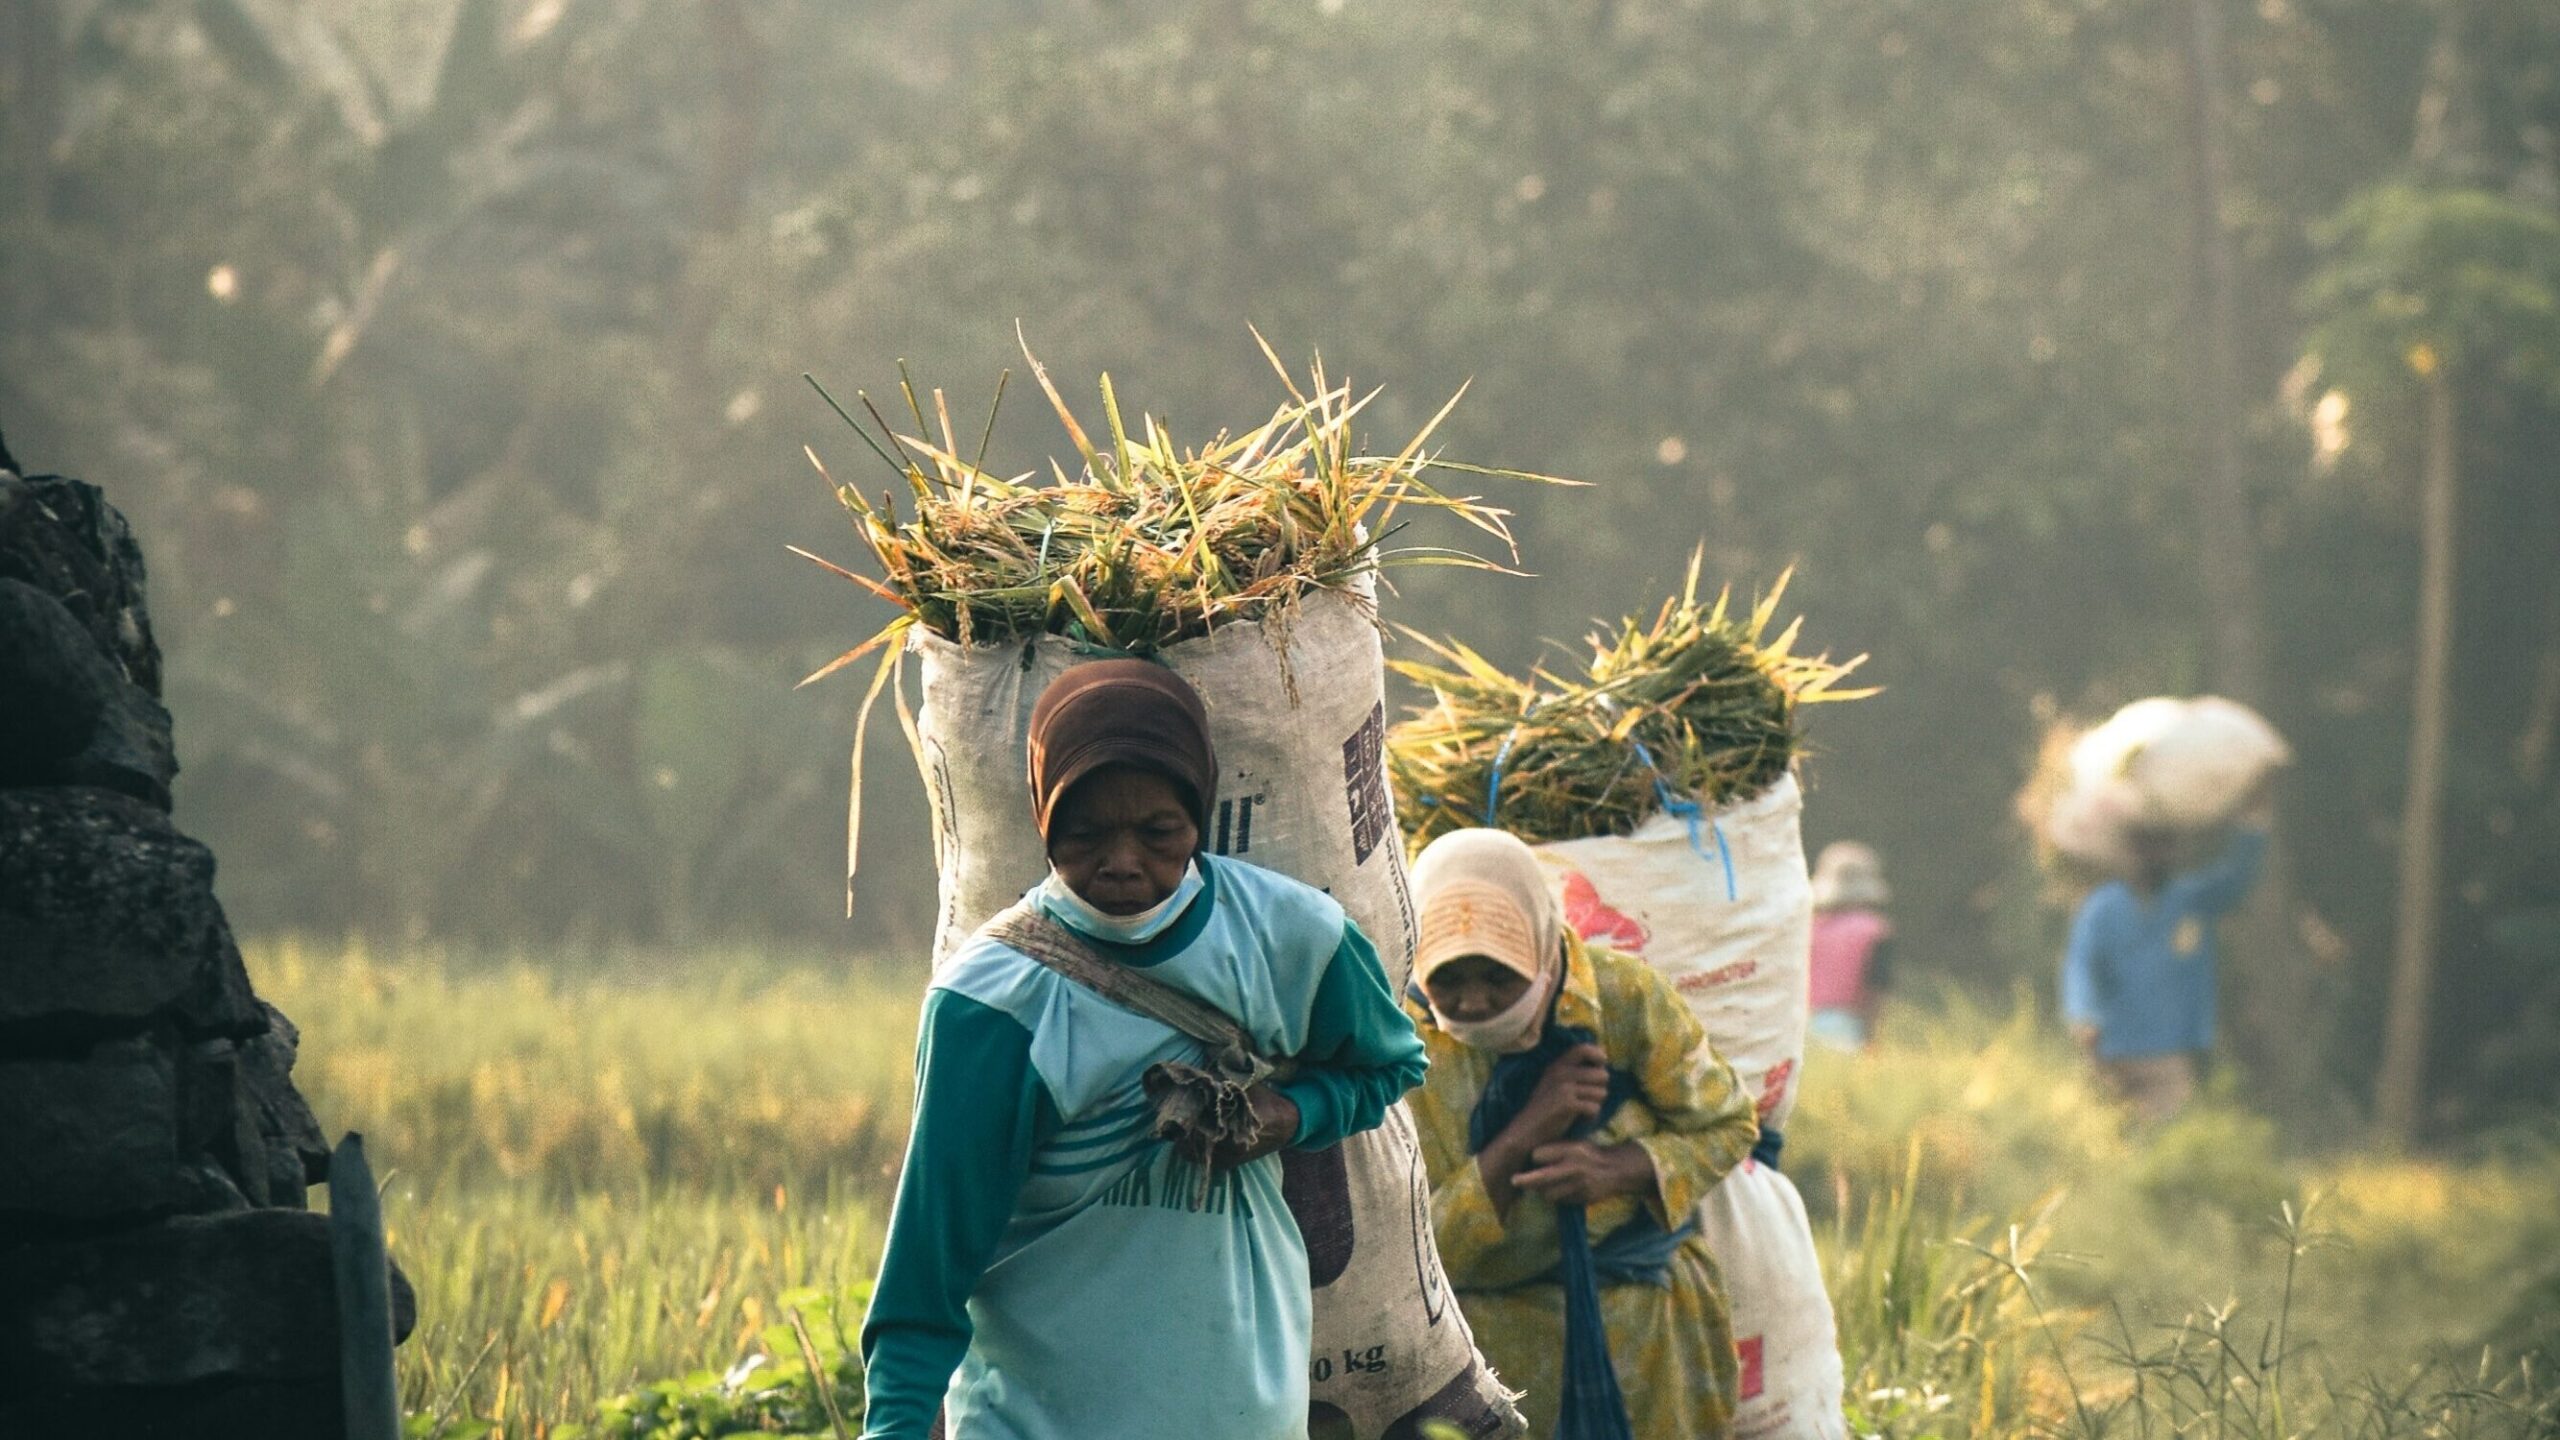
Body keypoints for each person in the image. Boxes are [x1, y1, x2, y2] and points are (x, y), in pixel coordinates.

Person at [858, 660, 1428, 1440]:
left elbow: (1391, 1065)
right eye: (1084, 833)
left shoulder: (1293, 940)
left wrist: (1291, 1114)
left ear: (1199, 813)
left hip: (1239, 1416)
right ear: (1040, 816)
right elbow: (925, 1276)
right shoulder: (994, 1002)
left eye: (1158, 833)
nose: (1122, 862)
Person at [1401, 828, 1758, 1440]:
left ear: (1541, 947)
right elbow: (1422, 1252)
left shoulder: (1623, 1000)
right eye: (1449, 980)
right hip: (1487, 1349)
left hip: (1640, 1333)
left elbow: (1727, 1123)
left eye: (1498, 975)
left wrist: (1617, 1168)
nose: (1474, 1002)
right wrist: (1524, 1133)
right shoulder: (1405, 1047)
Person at [2058, 817, 2270, 1123]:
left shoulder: (2190, 901)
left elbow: (2236, 880)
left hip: (2169, 1054)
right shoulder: (2102, 909)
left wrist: (2254, 823)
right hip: (2112, 1054)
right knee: (2112, 1138)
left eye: (2164, 846)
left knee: (2166, 1136)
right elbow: (2080, 968)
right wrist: (2084, 1016)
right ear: (2129, 852)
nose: (2155, 856)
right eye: (2147, 847)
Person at [1808, 841, 1894, 1052]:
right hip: (1848, 1025)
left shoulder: (1809, 927)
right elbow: (1877, 988)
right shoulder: (1875, 930)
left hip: (1803, 1024)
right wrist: (1873, 1037)